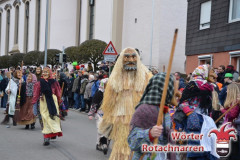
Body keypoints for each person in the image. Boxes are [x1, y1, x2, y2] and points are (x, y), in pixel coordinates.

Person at [98, 47, 152, 160]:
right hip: (122, 117)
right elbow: (110, 101)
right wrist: (108, 119)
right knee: (123, 145)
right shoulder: (115, 78)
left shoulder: (147, 76)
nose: (130, 59)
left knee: (141, 144)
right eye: (126, 57)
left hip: (142, 116)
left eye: (133, 56)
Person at [128, 73, 179, 159]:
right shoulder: (143, 110)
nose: (177, 93)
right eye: (174, 89)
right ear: (166, 90)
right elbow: (132, 142)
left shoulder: (164, 110)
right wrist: (149, 133)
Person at [174, 64, 219, 160]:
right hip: (194, 119)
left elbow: (207, 106)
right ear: (204, 72)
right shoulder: (193, 85)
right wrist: (190, 114)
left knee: (209, 145)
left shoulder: (209, 87)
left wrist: (209, 117)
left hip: (205, 120)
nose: (216, 75)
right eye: (212, 72)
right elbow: (182, 102)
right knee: (197, 148)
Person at [32, 67, 62, 146]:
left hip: (52, 102)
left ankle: (53, 133)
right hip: (42, 102)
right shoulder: (39, 83)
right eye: (44, 72)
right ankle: (46, 137)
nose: (45, 73)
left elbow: (58, 92)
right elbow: (36, 93)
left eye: (47, 72)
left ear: (50, 73)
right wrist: (33, 102)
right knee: (43, 119)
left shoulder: (54, 82)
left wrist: (59, 101)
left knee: (52, 118)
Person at [88, 78, 110, 155]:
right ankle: (102, 144)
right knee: (101, 128)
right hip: (100, 113)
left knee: (107, 129)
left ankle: (100, 143)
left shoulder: (112, 95)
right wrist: (91, 114)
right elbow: (94, 104)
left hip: (109, 114)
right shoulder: (99, 94)